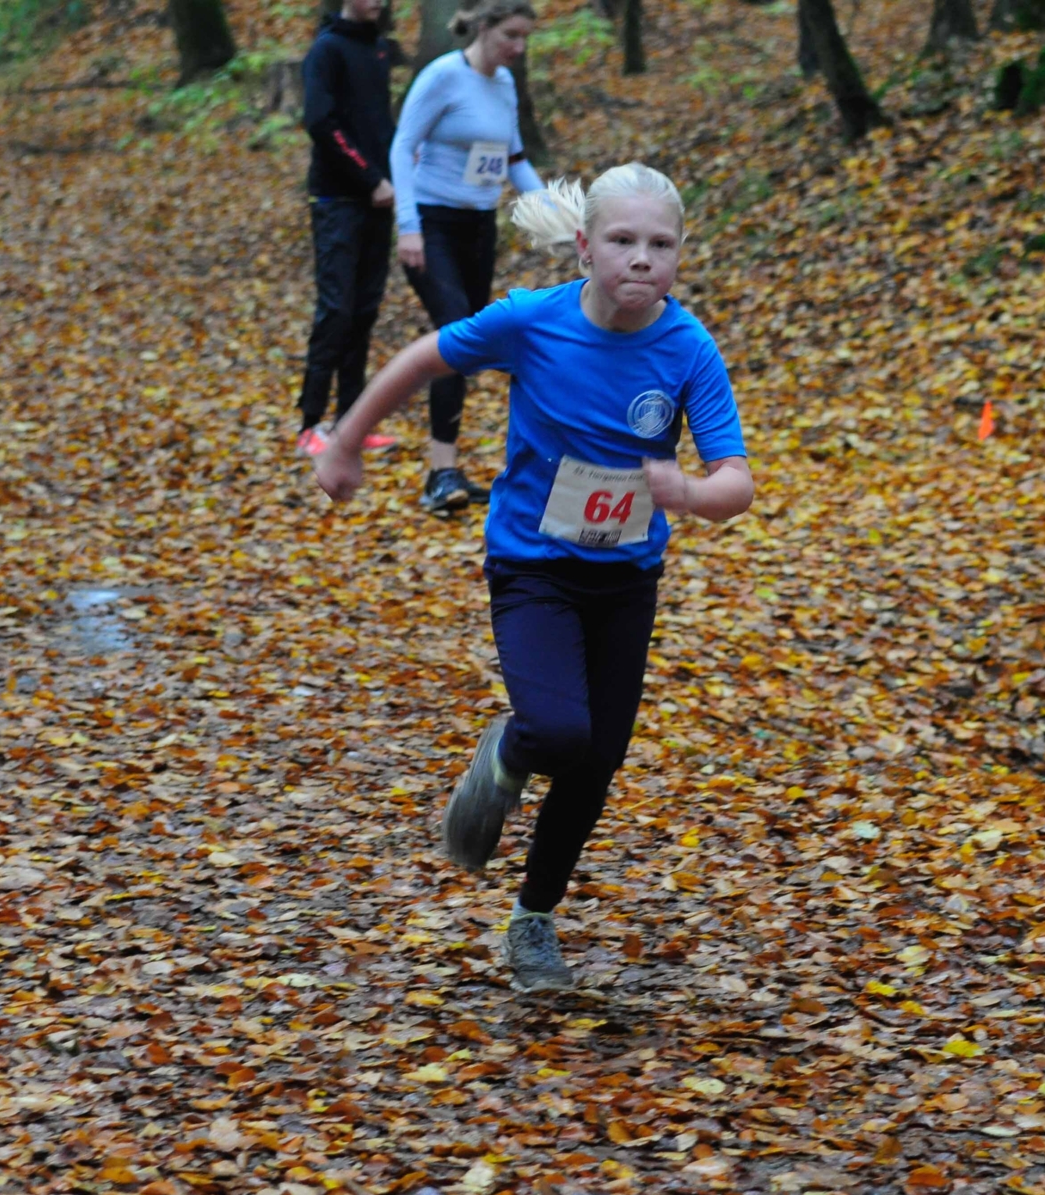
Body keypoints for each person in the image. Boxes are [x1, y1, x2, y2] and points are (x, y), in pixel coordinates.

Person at [315, 164, 754, 992]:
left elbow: (737, 481)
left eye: (660, 245)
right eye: (622, 241)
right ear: (585, 247)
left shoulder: (689, 348)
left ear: (679, 257)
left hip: (626, 577)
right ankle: (506, 752)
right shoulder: (531, 322)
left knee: (597, 762)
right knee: (558, 732)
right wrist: (345, 441)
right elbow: (422, 360)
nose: (640, 260)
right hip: (532, 566)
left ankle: (533, 920)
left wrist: (690, 493)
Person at [390, 0, 543, 516]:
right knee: (455, 334)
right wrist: (408, 226)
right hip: (433, 226)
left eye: (525, 39)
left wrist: (561, 213)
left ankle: (444, 469)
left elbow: (514, 160)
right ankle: (441, 473)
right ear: (484, 27)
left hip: (480, 228)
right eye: (511, 37)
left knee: (469, 346)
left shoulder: (503, 85)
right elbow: (402, 146)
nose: (518, 49)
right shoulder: (442, 76)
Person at [295, 0, 399, 459]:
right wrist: (368, 177)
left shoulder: (378, 50)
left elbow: (380, 125)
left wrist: (394, 173)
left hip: (379, 200)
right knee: (336, 310)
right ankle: (310, 423)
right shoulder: (327, 49)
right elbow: (321, 122)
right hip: (339, 199)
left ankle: (350, 423)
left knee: (363, 311)